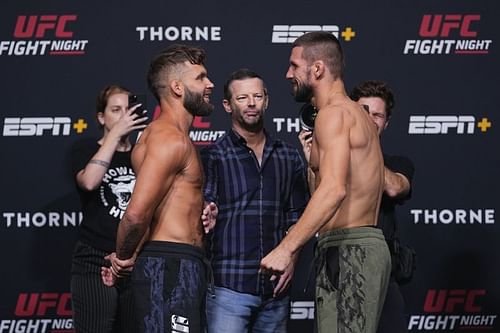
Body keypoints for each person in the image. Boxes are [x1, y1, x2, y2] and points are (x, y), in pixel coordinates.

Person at [260, 32, 391, 333]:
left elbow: (334, 190)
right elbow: (322, 188)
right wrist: (312, 162)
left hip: (352, 247)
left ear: (317, 69)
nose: (288, 73)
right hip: (342, 246)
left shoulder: (333, 115)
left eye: (294, 65)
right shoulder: (349, 114)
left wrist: (287, 248)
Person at [101, 44, 215, 333]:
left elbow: (155, 210)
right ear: (177, 87)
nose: (209, 84)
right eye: (200, 77)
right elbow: (136, 214)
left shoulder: (165, 136)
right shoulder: (168, 140)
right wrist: (123, 259)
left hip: (175, 266)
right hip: (170, 270)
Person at [200, 68, 310, 333]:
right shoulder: (214, 155)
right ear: (227, 105)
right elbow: (205, 205)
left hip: (275, 290)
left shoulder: (289, 156)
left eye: (257, 96)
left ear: (267, 101)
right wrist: (206, 214)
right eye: (242, 98)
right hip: (229, 287)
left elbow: (297, 216)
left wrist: (291, 261)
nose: (251, 103)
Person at [70, 84, 147, 333]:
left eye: (128, 109)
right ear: (101, 117)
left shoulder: (143, 155)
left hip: (134, 260)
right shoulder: (85, 149)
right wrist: (115, 135)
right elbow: (90, 181)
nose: (124, 116)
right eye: (116, 110)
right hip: (95, 259)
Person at [350, 80, 415, 333]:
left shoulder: (398, 163)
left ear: (385, 123)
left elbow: (395, 187)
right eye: (362, 111)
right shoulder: (334, 160)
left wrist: (366, 147)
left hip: (383, 275)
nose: (369, 119)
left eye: (377, 115)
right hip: (342, 269)